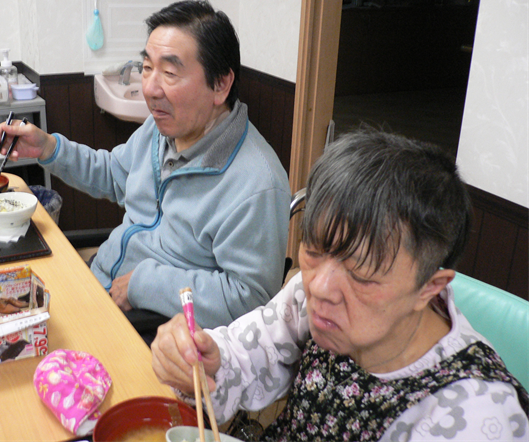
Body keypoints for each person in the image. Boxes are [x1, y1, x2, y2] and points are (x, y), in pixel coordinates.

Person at [151, 130, 529, 441]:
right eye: (313, 248)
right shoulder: (310, 293)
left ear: (430, 287)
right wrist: (201, 358)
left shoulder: (476, 416)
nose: (319, 287)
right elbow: (244, 355)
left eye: (362, 273)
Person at [0, 0, 291, 340]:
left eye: (170, 72)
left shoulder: (257, 182)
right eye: (147, 67)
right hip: (101, 282)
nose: (150, 88)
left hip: (152, 331)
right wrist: (48, 148)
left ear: (220, 85)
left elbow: (249, 301)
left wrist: (145, 285)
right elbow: (114, 174)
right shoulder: (162, 129)